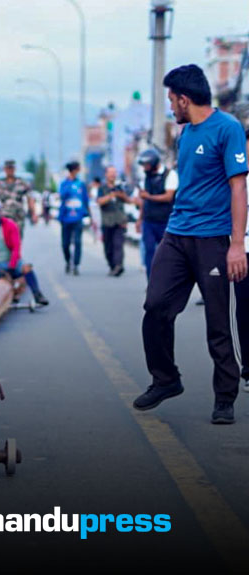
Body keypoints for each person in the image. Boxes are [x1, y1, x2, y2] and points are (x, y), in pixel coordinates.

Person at [136, 64, 248, 425]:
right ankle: (165, 379)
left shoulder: (228, 129)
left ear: (184, 99)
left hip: (213, 240)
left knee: (217, 322)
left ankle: (225, 398)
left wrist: (235, 245)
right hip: (176, 233)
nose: (171, 106)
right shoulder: (185, 134)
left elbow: (238, 188)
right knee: (155, 306)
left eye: (172, 100)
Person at [0, 200, 50, 306]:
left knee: (27, 268)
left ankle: (37, 294)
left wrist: (11, 266)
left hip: (11, 263)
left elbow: (16, 248)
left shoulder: (10, 226)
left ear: (0, 213)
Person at [134, 148, 177, 278]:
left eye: (146, 165)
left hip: (165, 221)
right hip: (149, 221)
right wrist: (139, 219)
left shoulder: (170, 175)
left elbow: (168, 196)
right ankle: (151, 281)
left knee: (166, 253)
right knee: (149, 251)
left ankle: (166, 281)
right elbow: (143, 200)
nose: (144, 168)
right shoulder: (145, 177)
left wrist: (149, 196)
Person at [96, 166, 132, 276]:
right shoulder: (102, 188)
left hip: (119, 220)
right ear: (106, 174)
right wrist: (111, 195)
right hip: (107, 221)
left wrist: (121, 194)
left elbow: (128, 200)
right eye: (110, 173)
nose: (113, 175)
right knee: (108, 247)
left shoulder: (120, 186)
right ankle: (112, 265)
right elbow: (99, 201)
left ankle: (118, 265)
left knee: (118, 244)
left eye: (114, 173)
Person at [57, 160, 89, 275]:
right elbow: (62, 195)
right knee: (65, 243)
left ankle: (76, 265)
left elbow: (86, 200)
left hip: (78, 218)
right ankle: (68, 261)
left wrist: (89, 215)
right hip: (65, 218)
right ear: (74, 170)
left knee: (77, 241)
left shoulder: (81, 184)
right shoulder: (64, 183)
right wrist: (69, 182)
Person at [0, 159, 38, 236]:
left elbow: (30, 198)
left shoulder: (21, 182)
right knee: (4, 241)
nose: (10, 170)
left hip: (18, 217)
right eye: (8, 168)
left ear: (15, 169)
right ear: (5, 169)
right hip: (3, 217)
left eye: (11, 168)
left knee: (17, 240)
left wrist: (33, 213)